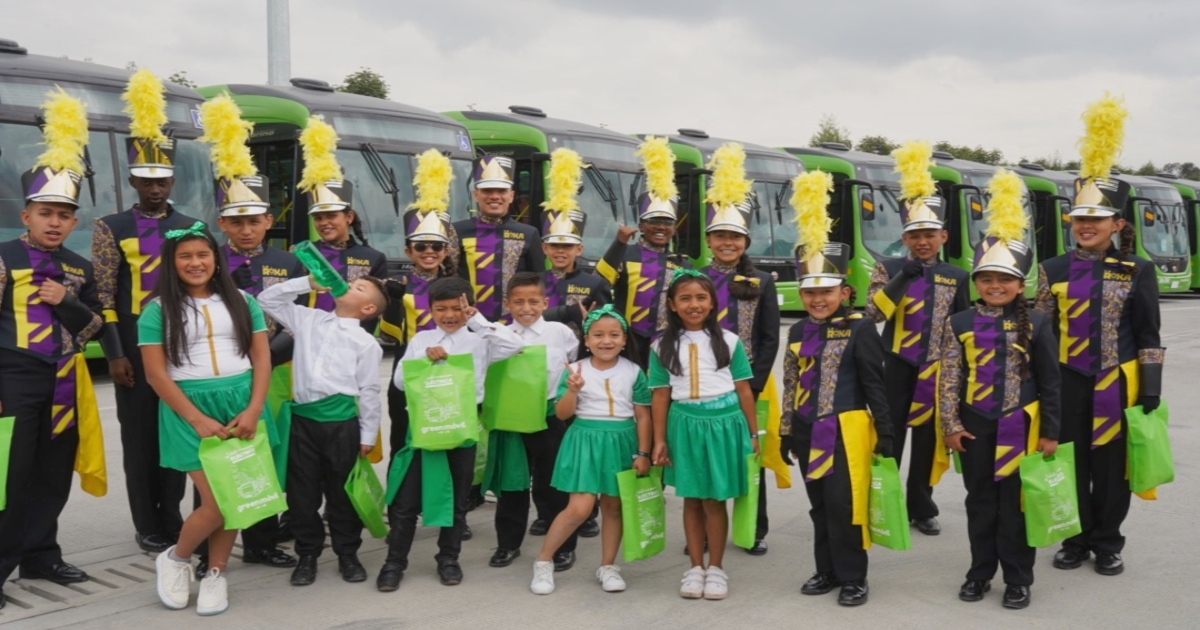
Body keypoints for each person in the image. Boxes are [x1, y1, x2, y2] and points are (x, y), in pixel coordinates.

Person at [1033, 95, 1162, 577]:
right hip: (1065, 379)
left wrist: (1149, 389)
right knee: (1069, 462)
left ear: (1117, 224)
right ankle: (1074, 538)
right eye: (1080, 219)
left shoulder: (1139, 270)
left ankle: (1108, 541)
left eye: (1097, 220)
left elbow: (1149, 332)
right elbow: (1040, 330)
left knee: (1111, 468)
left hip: (1116, 381)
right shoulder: (1051, 269)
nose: (1086, 227)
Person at [0, 89, 106, 610]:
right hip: (12, 379)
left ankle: (42, 554)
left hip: (65, 381)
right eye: (46, 212)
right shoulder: (2, 259)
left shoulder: (81, 269)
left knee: (51, 473)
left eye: (65, 214)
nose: (55, 222)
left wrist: (67, 302)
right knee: (8, 478)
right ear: (27, 215)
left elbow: (96, 329)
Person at [940, 168, 1062, 610]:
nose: (996, 286)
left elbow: (1051, 382)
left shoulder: (1040, 323)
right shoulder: (959, 323)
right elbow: (950, 377)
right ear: (976, 283)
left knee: (1016, 505)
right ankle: (979, 574)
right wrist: (950, 426)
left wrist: (1050, 430)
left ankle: (1018, 578)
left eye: (1005, 281)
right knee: (980, 504)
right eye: (987, 279)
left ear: (1019, 284)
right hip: (975, 425)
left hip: (1022, 426)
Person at [143, 221, 272, 616]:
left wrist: (252, 409)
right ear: (172, 262)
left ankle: (216, 573)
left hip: (239, 403)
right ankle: (178, 558)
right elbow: (156, 374)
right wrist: (196, 419)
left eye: (203, 254)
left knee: (236, 496)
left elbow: (262, 358)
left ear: (216, 259)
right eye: (185, 256)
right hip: (188, 409)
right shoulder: (157, 309)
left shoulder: (243, 302)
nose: (195, 262)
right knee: (218, 500)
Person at [94, 69, 199, 553]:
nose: (154, 188)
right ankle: (147, 524)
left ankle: (173, 517)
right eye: (145, 180)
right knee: (138, 439)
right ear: (133, 178)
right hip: (135, 344)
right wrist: (114, 353)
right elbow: (104, 292)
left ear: (172, 179)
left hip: (182, 343)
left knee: (175, 432)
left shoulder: (192, 225)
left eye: (162, 180)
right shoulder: (109, 226)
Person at [779, 171, 892, 607]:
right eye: (810, 293)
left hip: (846, 431)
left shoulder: (862, 330)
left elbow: (874, 385)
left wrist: (885, 432)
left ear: (844, 290)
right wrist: (788, 428)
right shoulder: (798, 332)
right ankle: (825, 570)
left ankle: (853, 577)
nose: (817, 300)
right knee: (819, 506)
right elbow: (790, 383)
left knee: (847, 506)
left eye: (826, 292)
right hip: (807, 429)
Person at [189, 158, 303, 576]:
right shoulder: (205, 260)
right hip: (217, 378)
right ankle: (204, 551)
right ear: (222, 223)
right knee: (213, 460)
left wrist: (266, 357)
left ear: (268, 220)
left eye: (254, 220)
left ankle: (261, 543)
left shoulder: (288, 262)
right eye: (236, 222)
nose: (246, 229)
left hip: (272, 374)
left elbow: (301, 322)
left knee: (262, 459)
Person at [378, 277, 523, 591]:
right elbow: (401, 382)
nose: (449, 314)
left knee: (458, 500)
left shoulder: (481, 339)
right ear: (430, 310)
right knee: (405, 502)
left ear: (468, 307)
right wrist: (423, 358)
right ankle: (394, 563)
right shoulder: (421, 339)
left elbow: (516, 345)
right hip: (426, 429)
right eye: (440, 308)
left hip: (462, 430)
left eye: (456, 308)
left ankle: (448, 558)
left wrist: (478, 320)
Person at [865, 140, 970, 537]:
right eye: (915, 235)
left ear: (943, 236)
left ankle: (920, 505)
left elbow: (963, 327)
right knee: (889, 433)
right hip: (895, 362)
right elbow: (873, 314)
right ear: (905, 238)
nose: (923, 241)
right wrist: (900, 279)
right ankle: (885, 498)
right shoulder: (888, 267)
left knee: (928, 441)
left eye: (930, 234)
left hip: (937, 370)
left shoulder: (958, 276)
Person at [257, 272, 386, 587]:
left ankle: (347, 553)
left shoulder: (365, 343)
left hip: (342, 424)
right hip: (303, 422)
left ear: (368, 309)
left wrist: (368, 435)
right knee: (302, 495)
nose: (347, 285)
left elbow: (368, 391)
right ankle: (308, 554)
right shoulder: (308, 319)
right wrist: (307, 283)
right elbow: (266, 299)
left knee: (342, 494)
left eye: (358, 288)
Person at [650, 269, 759, 601]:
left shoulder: (730, 341)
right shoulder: (660, 345)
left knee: (714, 499)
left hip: (725, 424)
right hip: (684, 424)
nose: (693, 304)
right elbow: (659, 395)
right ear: (672, 304)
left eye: (700, 297)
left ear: (712, 303)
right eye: (684, 298)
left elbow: (744, 390)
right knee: (692, 497)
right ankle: (695, 567)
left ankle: (716, 568)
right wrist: (659, 439)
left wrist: (754, 434)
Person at [530, 305, 652, 595]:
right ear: (586, 340)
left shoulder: (635, 371)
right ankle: (543, 561)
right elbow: (561, 414)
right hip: (584, 441)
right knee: (578, 509)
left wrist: (643, 453)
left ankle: (608, 566)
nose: (605, 341)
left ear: (624, 339)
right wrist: (572, 390)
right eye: (597, 335)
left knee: (613, 507)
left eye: (613, 335)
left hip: (622, 442)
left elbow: (643, 415)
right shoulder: (576, 369)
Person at [700, 143, 781, 556]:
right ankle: (704, 531)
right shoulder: (691, 278)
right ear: (710, 240)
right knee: (703, 456)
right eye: (720, 236)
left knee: (751, 456)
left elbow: (770, 338)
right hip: (702, 384)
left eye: (734, 236)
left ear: (745, 241)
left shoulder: (762, 282)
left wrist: (752, 381)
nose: (727, 243)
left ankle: (754, 529)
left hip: (748, 384)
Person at [487, 272, 579, 571]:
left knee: (554, 484)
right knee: (512, 484)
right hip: (512, 418)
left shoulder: (560, 332)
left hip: (550, 415)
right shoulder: (498, 334)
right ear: (507, 304)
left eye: (533, 301)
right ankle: (508, 544)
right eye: (518, 302)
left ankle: (564, 546)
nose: (526, 308)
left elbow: (572, 366)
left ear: (545, 302)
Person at [597, 136, 691, 369]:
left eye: (667, 222)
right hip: (628, 340)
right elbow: (600, 281)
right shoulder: (626, 254)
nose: (661, 227)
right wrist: (618, 244)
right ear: (641, 226)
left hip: (668, 342)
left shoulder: (683, 265)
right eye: (653, 221)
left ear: (674, 228)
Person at [295, 117, 388, 328]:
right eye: (318, 218)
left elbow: (375, 311)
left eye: (331, 216)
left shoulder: (374, 258)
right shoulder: (302, 254)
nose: (324, 222)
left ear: (349, 217)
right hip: (308, 337)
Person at [454, 155, 544, 322]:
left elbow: (538, 284)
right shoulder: (457, 230)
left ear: (511, 195)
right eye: (487, 191)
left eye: (501, 191)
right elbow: (447, 279)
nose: (494, 196)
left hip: (514, 326)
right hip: (466, 325)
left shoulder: (529, 233)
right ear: (476, 194)